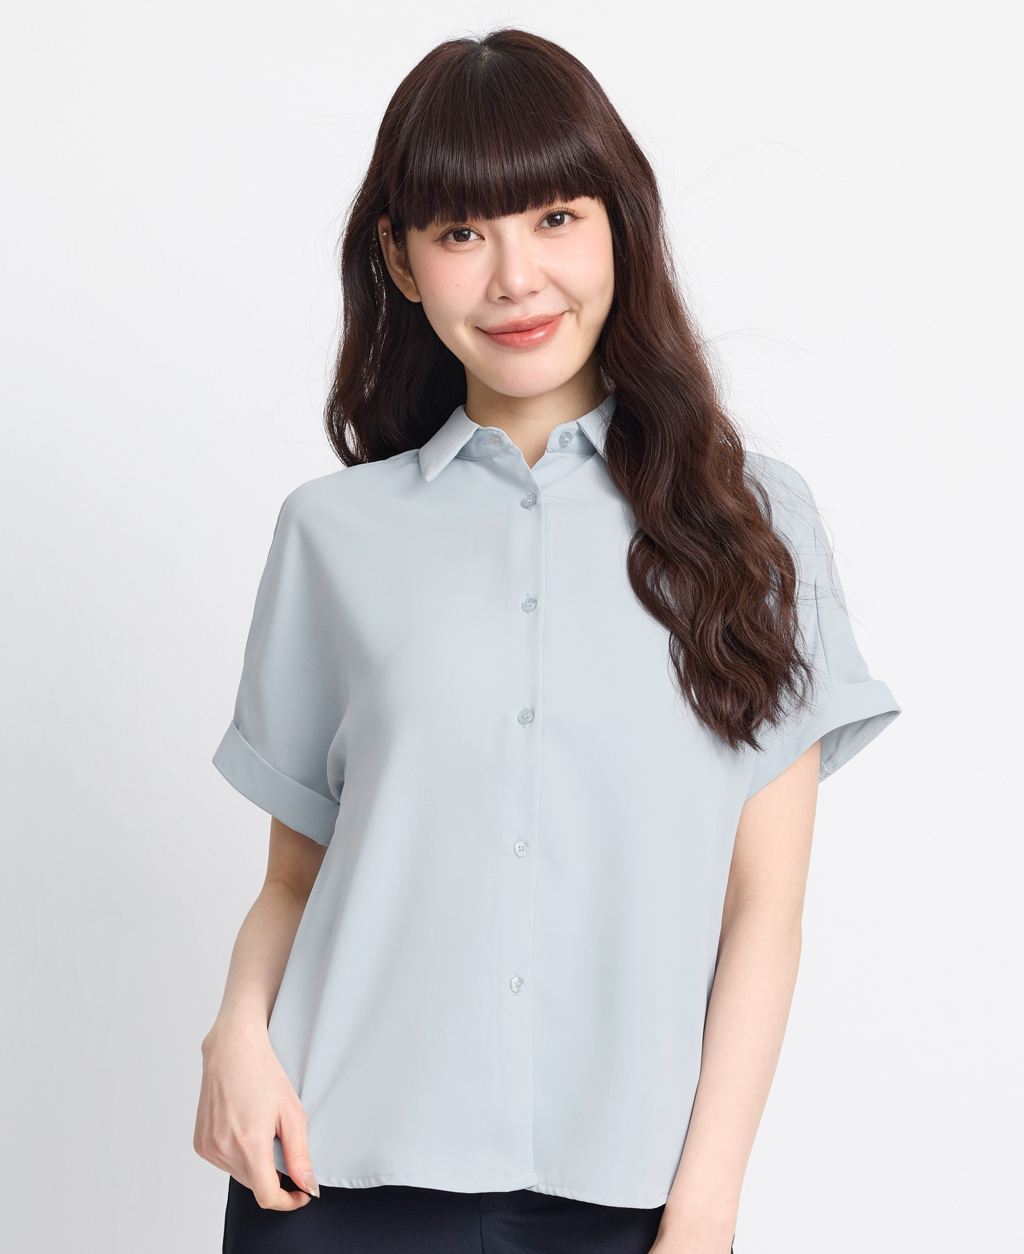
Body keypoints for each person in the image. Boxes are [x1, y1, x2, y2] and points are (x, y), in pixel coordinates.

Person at [194, 28, 899, 1254]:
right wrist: (234, 1039)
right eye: (462, 233)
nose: (516, 278)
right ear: (400, 261)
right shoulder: (331, 534)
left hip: (626, 1197)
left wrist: (705, 1206)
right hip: (328, 1172)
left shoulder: (753, 520)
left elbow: (763, 908)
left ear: (619, 225)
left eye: (557, 218)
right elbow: (295, 880)